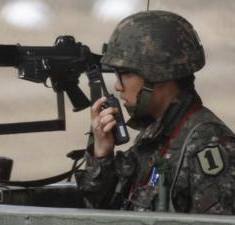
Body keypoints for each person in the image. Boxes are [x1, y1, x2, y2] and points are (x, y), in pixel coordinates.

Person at [75, 10, 235, 214]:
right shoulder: (155, 137)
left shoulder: (207, 146)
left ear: (158, 75)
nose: (117, 86)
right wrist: (102, 154)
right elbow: (100, 212)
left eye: (125, 74)